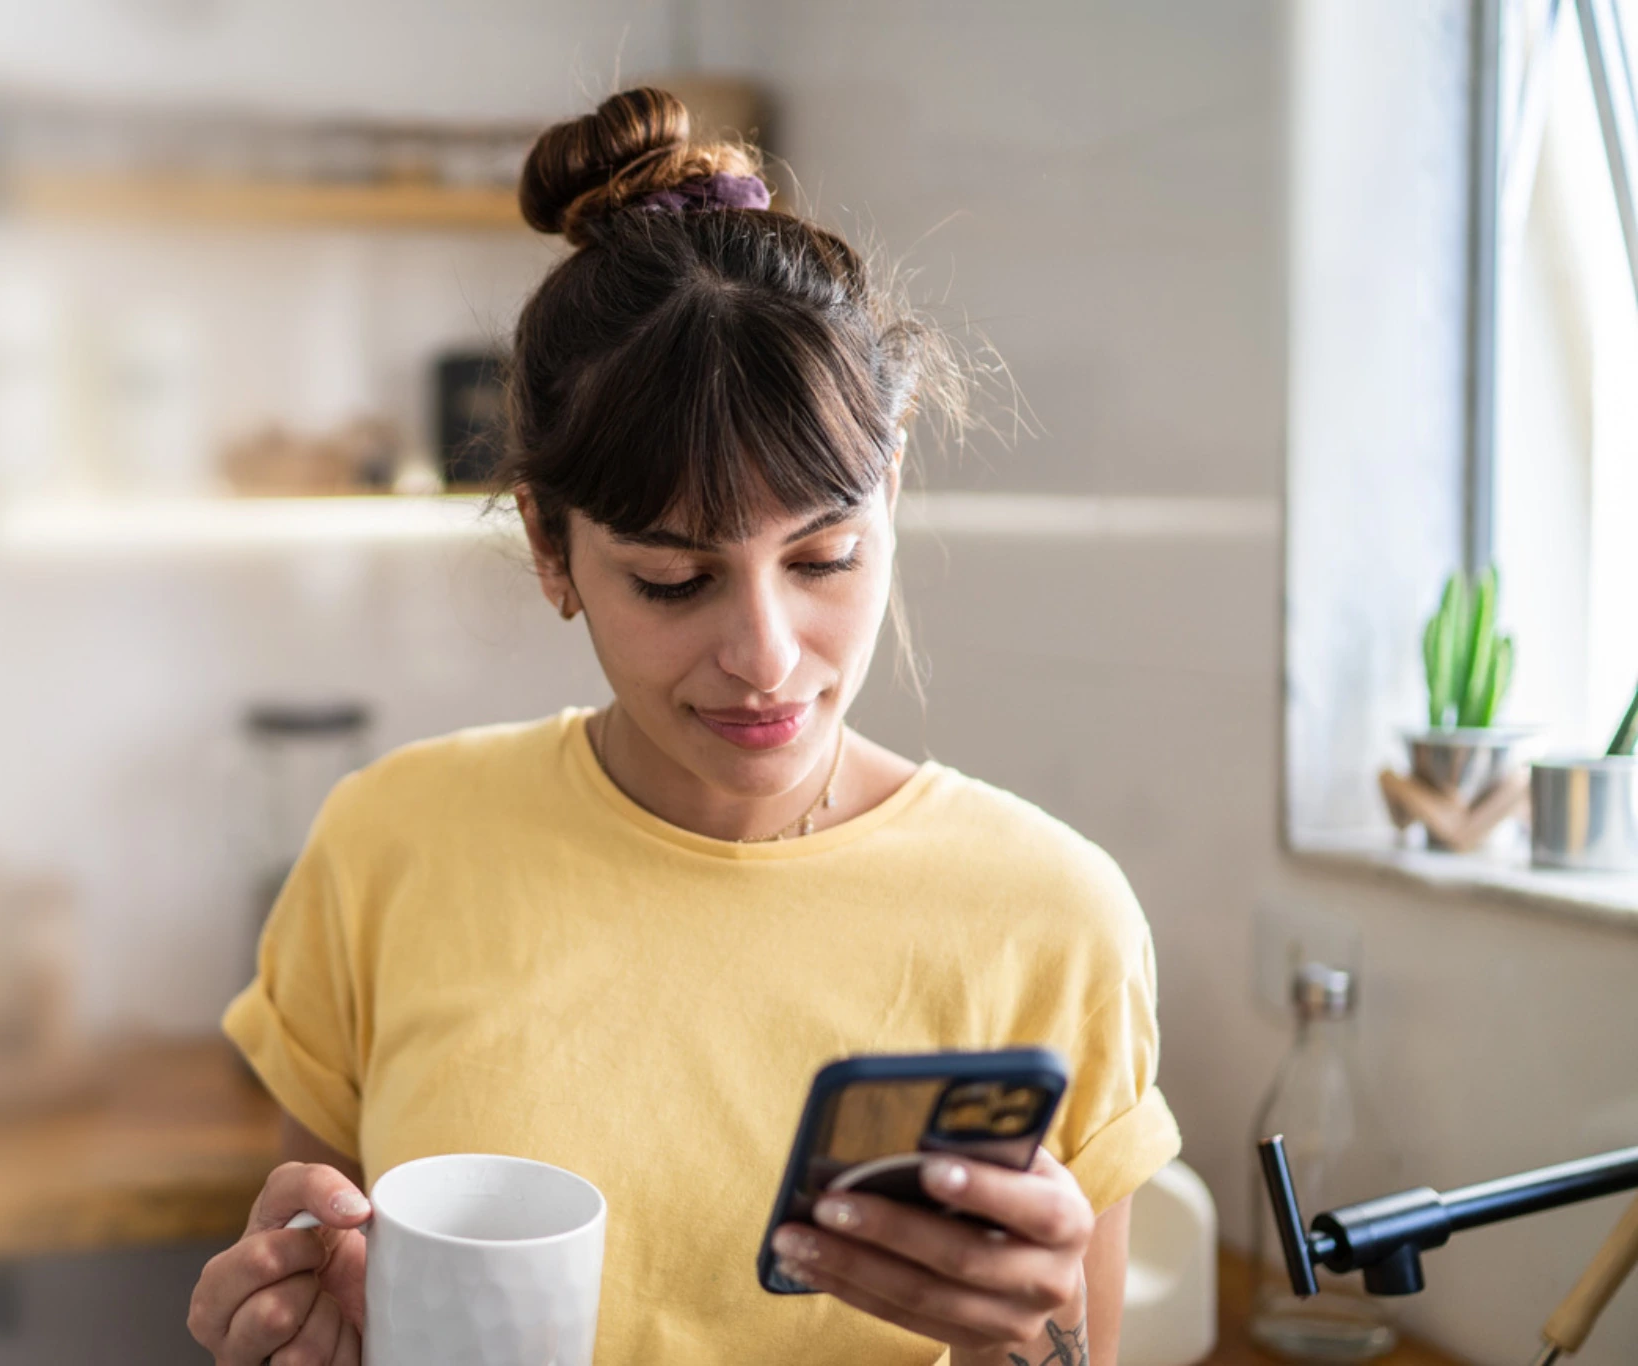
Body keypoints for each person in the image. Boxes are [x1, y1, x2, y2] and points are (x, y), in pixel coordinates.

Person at [187, 87, 1179, 1366]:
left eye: (824, 557)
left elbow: (1071, 1349)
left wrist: (1030, 1339)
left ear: (893, 482)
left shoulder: (1054, 918)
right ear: (550, 547)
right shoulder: (390, 847)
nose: (764, 658)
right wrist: (277, 1332)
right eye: (673, 579)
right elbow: (337, 1292)